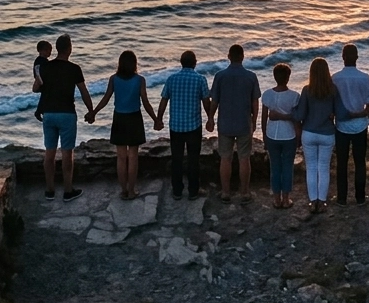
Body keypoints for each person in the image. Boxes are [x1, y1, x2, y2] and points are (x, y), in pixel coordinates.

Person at [89, 50, 158, 200]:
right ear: (134, 64)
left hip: (119, 118)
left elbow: (106, 98)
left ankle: (123, 190)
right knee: (133, 156)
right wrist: (155, 119)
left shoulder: (114, 79)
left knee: (121, 157)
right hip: (134, 118)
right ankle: (132, 190)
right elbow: (145, 102)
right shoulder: (140, 80)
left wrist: (94, 112)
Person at [33, 34, 94, 200]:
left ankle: (50, 190)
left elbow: (36, 88)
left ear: (56, 48)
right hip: (67, 113)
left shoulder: (45, 67)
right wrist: (91, 111)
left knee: (49, 153)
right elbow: (84, 92)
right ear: (69, 49)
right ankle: (68, 190)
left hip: (49, 114)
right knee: (67, 153)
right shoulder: (74, 69)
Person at [293, 57, 349, 213]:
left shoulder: (307, 90)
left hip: (309, 133)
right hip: (327, 134)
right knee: (323, 168)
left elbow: (300, 115)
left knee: (311, 168)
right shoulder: (332, 90)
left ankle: (312, 202)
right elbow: (341, 112)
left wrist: (290, 110)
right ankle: (322, 202)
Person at [154, 50, 213, 201]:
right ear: (195, 63)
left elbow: (164, 101)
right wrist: (210, 118)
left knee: (177, 159)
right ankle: (193, 191)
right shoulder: (200, 79)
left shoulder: (172, 79)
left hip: (176, 126)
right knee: (194, 159)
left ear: (181, 63)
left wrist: (158, 119)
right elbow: (206, 102)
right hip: (193, 126)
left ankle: (177, 191)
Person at [209, 44, 261, 203]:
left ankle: (225, 193)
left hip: (225, 123)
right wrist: (254, 121)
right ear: (243, 57)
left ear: (229, 56)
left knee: (225, 158)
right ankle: (244, 193)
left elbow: (215, 101)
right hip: (243, 123)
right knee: (244, 158)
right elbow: (255, 103)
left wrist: (210, 118)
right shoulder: (251, 76)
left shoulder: (220, 76)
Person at [332, 43, 369, 206]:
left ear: (343, 57)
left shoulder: (335, 78)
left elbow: (332, 104)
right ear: (357, 57)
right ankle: (360, 197)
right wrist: (361, 114)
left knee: (342, 163)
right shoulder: (365, 77)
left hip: (341, 126)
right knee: (360, 162)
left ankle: (342, 198)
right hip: (360, 126)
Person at [260, 63, 301, 209]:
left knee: (275, 167)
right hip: (289, 135)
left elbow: (264, 118)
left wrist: (264, 135)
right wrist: (299, 136)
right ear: (288, 77)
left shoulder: (267, 95)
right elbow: (297, 119)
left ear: (274, 77)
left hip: (272, 134)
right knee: (287, 167)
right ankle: (286, 199)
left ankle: (276, 199)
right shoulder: (294, 96)